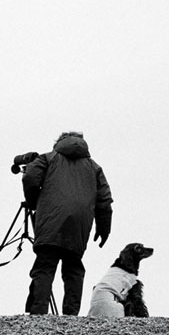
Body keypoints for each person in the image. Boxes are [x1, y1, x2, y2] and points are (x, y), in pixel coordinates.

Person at [21, 131, 114, 315]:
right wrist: (104, 228)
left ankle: (38, 312)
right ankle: (71, 315)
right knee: (73, 267)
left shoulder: (47, 158)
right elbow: (105, 200)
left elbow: (30, 177)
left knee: (45, 265)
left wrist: (33, 201)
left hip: (51, 219)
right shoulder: (94, 167)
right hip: (79, 225)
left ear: (59, 143)